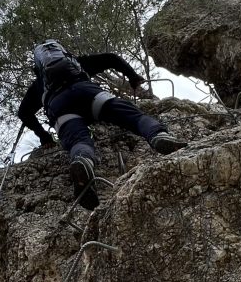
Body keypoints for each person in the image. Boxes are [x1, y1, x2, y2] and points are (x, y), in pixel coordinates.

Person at [17, 40, 187, 208]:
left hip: (61, 107)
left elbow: (23, 113)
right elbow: (111, 58)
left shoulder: (39, 84)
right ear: (63, 53)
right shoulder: (78, 63)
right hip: (89, 93)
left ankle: (83, 161)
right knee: (134, 117)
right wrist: (132, 76)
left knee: (79, 141)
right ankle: (158, 135)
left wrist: (44, 136)